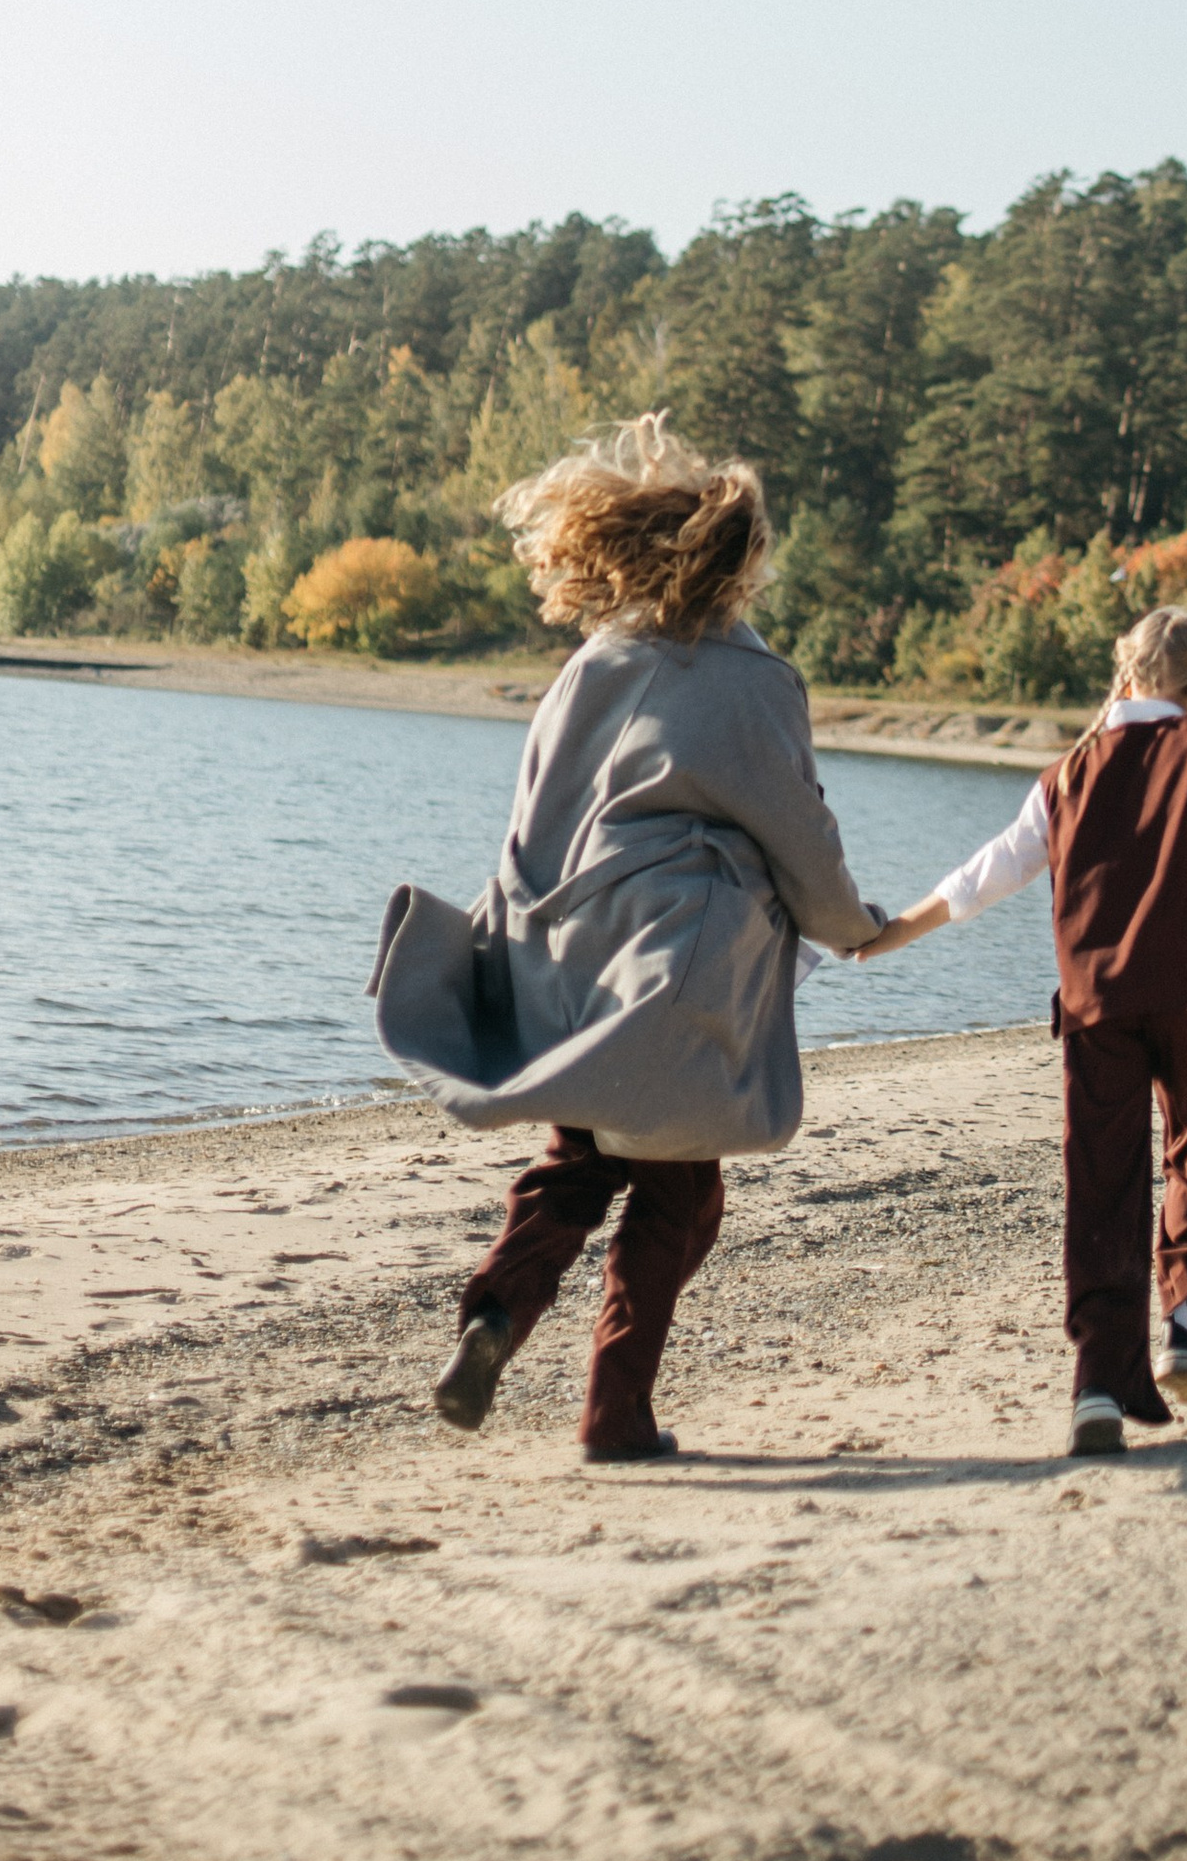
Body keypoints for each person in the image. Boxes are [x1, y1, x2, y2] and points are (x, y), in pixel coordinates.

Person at [368, 415, 885, 1463]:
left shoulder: (594, 665)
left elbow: (532, 818)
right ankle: (616, 1416)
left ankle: (496, 1315)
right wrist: (850, 928)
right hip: (679, 962)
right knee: (680, 1195)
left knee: (577, 1158)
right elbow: (798, 830)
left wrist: (516, 952)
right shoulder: (754, 682)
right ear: (741, 571)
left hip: (574, 951)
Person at [860, 583, 1187, 1458]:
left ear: (1125, 673)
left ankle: (1096, 1383)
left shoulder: (1065, 775)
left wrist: (891, 932)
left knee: (1101, 1178)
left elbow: (986, 876)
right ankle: (1184, 1328)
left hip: (1096, 1005)